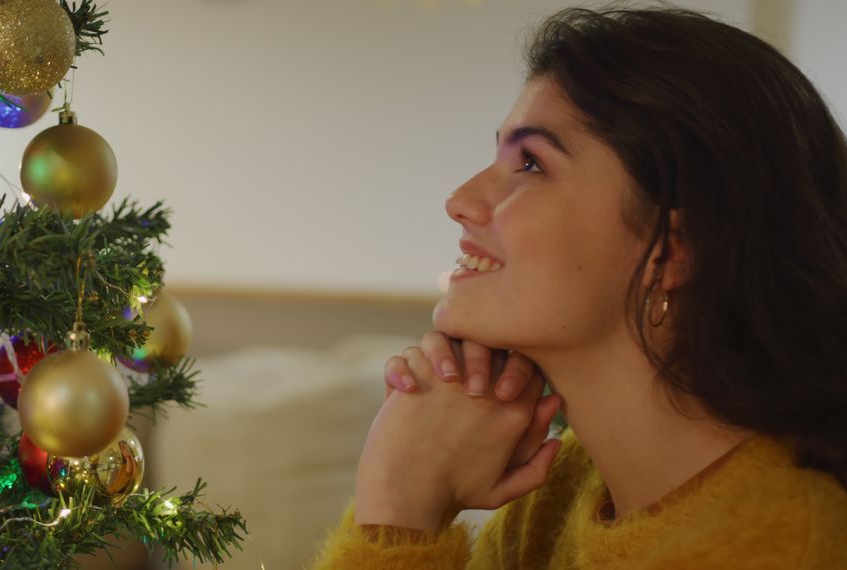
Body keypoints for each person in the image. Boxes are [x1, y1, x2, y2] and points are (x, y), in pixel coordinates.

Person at [312, 6, 847, 569]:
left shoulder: (779, 543)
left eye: (532, 165)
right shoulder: (560, 493)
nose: (460, 201)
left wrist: (398, 515)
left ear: (669, 251)